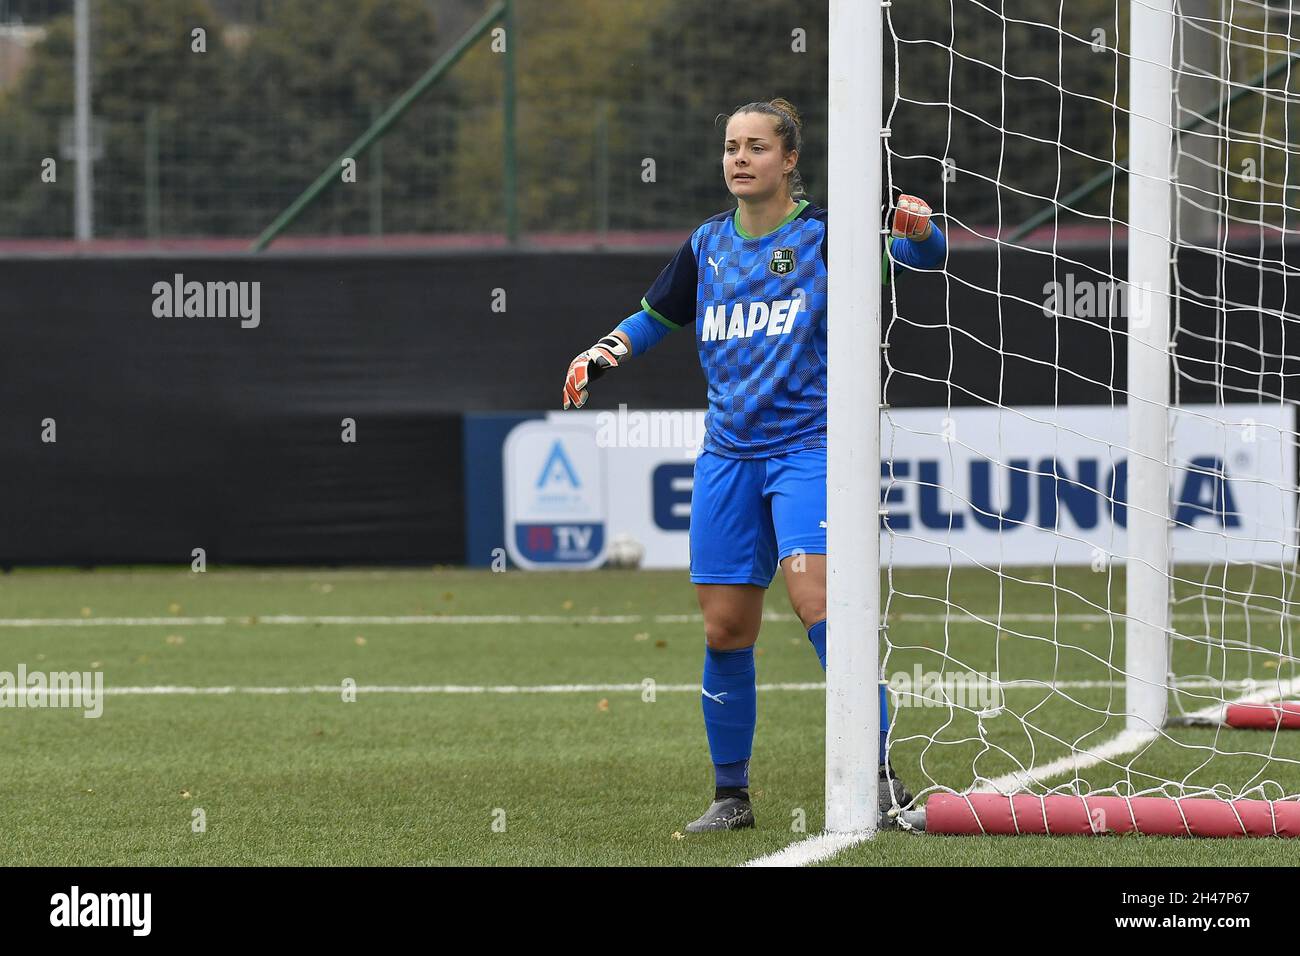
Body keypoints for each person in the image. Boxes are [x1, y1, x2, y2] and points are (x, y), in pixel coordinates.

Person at [561, 98, 946, 832]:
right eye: (732, 147)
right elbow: (655, 316)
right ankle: (731, 796)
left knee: (820, 604)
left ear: (790, 159)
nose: (740, 159)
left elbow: (920, 259)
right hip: (727, 458)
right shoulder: (706, 245)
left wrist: (923, 232)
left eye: (757, 147)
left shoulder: (827, 237)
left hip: (812, 450)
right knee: (724, 630)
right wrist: (601, 352)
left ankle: (881, 778)